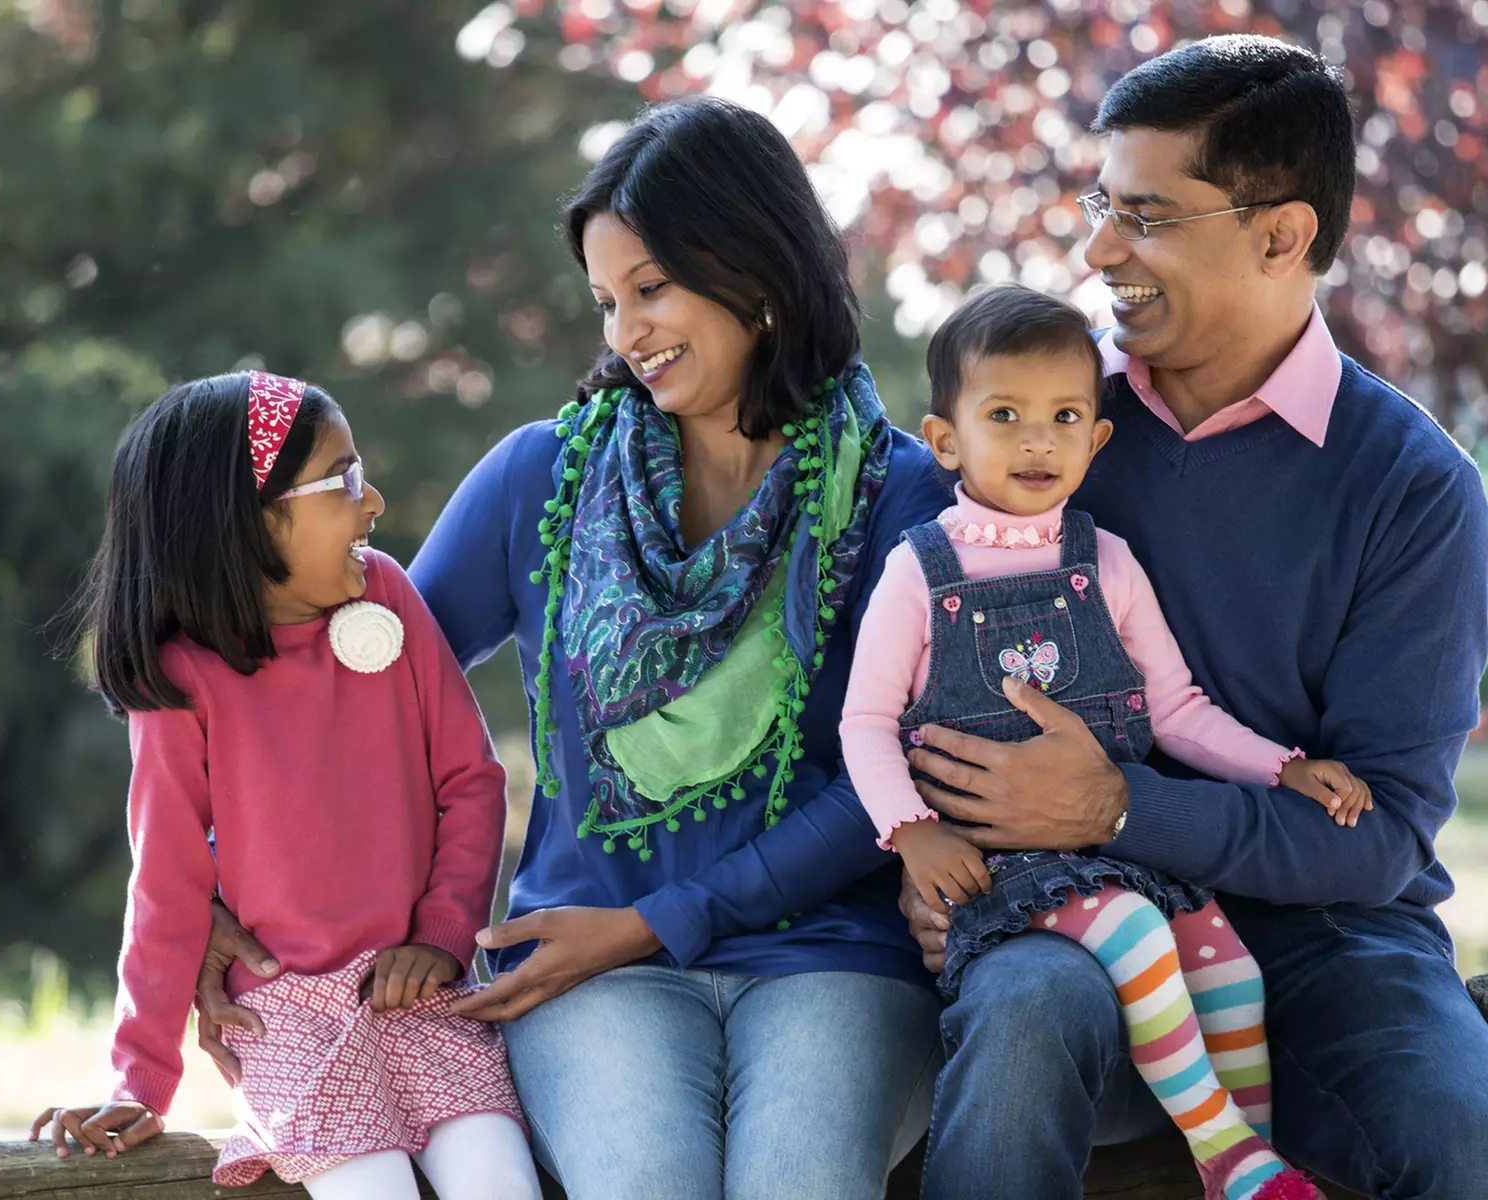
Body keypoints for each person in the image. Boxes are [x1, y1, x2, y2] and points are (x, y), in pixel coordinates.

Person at [191, 98, 952, 1199]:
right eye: (605, 301)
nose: (625, 333)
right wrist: (210, 882)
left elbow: (892, 776)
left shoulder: (902, 500)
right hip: (578, 968)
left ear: (758, 270)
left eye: (652, 288)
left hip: (832, 953)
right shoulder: (539, 477)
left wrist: (654, 924)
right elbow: (349, 703)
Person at [899, 36, 1488, 1200]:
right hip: (1064, 906)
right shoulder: (1033, 431)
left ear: (1281, 236)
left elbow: (1378, 835)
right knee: (1018, 1038)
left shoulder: (1413, 488)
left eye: (1147, 218)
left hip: (1327, 938)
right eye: (1103, 205)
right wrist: (925, 857)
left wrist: (1119, 803)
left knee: (1478, 1154)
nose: (1100, 250)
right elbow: (909, 690)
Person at [842, 285, 1376, 1199]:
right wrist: (911, 832)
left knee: (1228, 969)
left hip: (1111, 851)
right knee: (1134, 929)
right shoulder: (920, 573)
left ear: (1095, 440)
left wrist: (1281, 766)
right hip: (990, 869)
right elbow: (865, 724)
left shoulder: (1107, 562)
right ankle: (1228, 1153)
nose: (1036, 442)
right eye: (1003, 416)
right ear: (944, 440)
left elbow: (1176, 711)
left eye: (1063, 418)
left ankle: (1247, 1173)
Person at [30, 373, 539, 1200]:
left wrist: (443, 936)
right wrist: (140, 1081)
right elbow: (167, 884)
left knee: (501, 1184)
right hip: (286, 1020)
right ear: (250, 519)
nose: (372, 501)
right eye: (342, 479)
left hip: (422, 996)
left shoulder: (388, 594)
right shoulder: (178, 683)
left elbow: (471, 782)